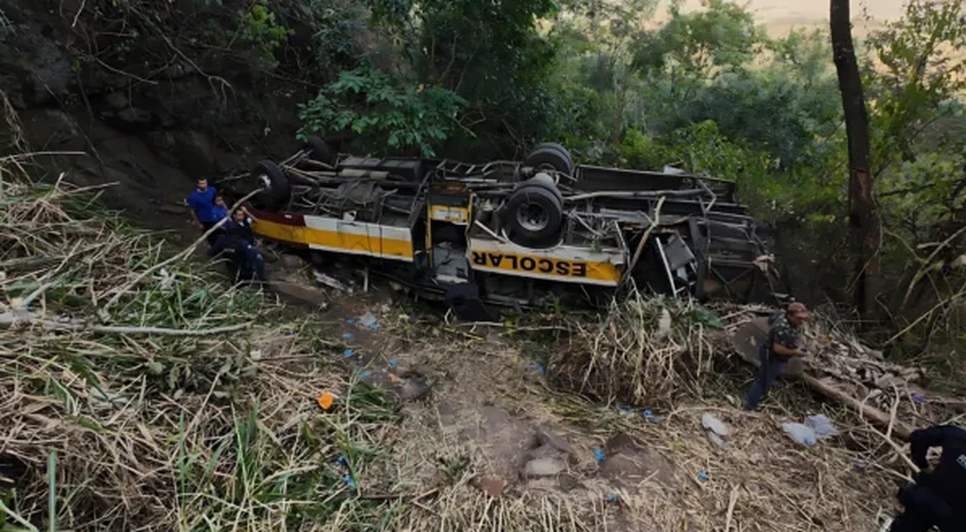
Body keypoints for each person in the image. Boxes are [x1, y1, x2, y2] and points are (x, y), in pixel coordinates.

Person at [888, 424, 966, 532]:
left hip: (926, 497)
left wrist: (922, 465)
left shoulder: (957, 435)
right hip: (954, 517)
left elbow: (919, 437)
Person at [744, 302, 810, 411]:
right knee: (763, 381)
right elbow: (778, 348)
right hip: (771, 355)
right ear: (790, 315)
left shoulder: (794, 324)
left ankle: (754, 399)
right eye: (799, 318)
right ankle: (749, 406)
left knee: (769, 378)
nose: (801, 321)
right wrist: (795, 352)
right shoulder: (782, 327)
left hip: (778, 357)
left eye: (803, 318)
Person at [186, 178, 219, 245]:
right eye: (201, 183)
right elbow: (192, 211)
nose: (204, 185)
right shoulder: (194, 197)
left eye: (205, 183)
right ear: (198, 185)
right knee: (211, 238)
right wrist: (198, 223)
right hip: (205, 220)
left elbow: (217, 200)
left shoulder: (212, 190)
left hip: (216, 216)